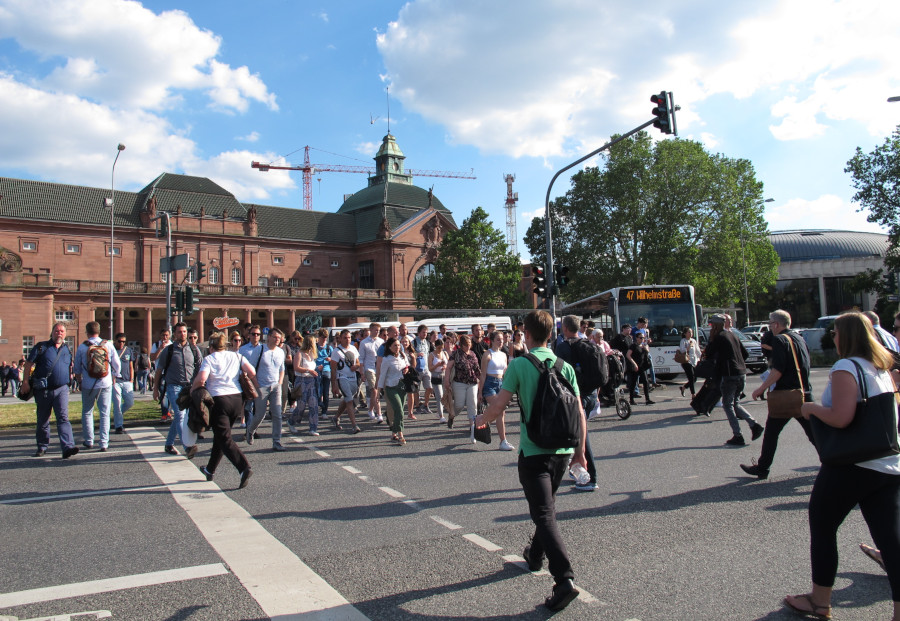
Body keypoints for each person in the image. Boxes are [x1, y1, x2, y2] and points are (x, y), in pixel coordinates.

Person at [784, 311, 900, 621]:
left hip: (853, 464)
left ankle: (820, 601)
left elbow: (842, 417)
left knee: (823, 526)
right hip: (888, 463)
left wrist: (811, 408)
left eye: (835, 333)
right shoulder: (882, 367)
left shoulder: (846, 367)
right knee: (890, 538)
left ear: (845, 336)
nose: (832, 337)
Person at [474, 310, 586, 612]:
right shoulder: (564, 366)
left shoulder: (520, 364)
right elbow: (579, 412)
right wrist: (581, 453)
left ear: (526, 332)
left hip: (535, 450)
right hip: (563, 450)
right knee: (546, 507)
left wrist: (481, 421)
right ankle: (534, 556)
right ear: (551, 333)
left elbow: (499, 405)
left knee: (544, 514)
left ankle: (564, 579)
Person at [742, 309, 815, 478]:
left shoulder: (780, 340)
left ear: (776, 324)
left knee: (771, 433)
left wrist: (761, 389)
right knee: (813, 434)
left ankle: (763, 468)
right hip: (803, 393)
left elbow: (778, 370)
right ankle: (831, 462)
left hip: (786, 396)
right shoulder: (799, 338)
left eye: (769, 323)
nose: (769, 327)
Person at [190, 331, 256, 489]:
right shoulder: (236, 356)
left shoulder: (210, 359)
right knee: (220, 436)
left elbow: (201, 379)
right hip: (236, 398)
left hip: (219, 399)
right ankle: (210, 469)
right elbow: (252, 372)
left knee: (225, 438)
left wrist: (193, 390)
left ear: (211, 347)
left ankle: (243, 467)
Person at [555, 315, 600, 490]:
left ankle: (591, 478)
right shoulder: (588, 344)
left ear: (565, 329)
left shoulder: (563, 348)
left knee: (581, 435)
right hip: (591, 394)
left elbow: (559, 375)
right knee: (577, 432)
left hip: (575, 396)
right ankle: (577, 469)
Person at [704, 314, 763, 446]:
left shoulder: (719, 337)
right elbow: (745, 354)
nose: (711, 327)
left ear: (716, 325)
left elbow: (709, 353)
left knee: (727, 404)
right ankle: (754, 425)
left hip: (729, 375)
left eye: (712, 325)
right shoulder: (733, 335)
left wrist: (712, 339)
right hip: (742, 373)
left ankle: (738, 435)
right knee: (735, 403)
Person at [23, 322, 79, 459]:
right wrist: (25, 382)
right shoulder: (42, 347)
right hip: (44, 390)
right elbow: (28, 363)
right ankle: (42, 446)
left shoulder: (67, 349)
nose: (59, 333)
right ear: (52, 332)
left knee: (63, 418)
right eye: (57, 331)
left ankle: (68, 447)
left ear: (65, 334)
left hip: (61, 389)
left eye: (62, 331)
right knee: (43, 419)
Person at [153, 322, 201, 456]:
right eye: (180, 332)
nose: (183, 334)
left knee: (179, 418)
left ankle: (169, 444)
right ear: (175, 334)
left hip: (189, 387)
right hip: (173, 386)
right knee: (180, 415)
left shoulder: (194, 349)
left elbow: (200, 368)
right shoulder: (168, 350)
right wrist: (156, 389)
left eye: (184, 331)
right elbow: (159, 370)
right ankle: (187, 446)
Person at [73, 321, 120, 452]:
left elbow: (77, 367)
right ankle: (104, 443)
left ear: (87, 332)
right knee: (104, 413)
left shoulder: (83, 347)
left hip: (88, 383)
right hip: (105, 382)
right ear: (99, 331)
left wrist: (79, 380)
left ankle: (89, 440)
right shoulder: (108, 345)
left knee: (87, 411)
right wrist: (115, 375)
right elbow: (116, 363)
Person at [246, 328, 286, 451]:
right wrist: (257, 386)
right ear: (268, 337)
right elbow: (251, 369)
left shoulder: (280, 352)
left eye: (279, 338)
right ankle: (250, 430)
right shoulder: (260, 349)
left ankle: (277, 441)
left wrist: (279, 383)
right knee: (260, 415)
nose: (277, 339)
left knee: (277, 414)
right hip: (261, 386)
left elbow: (282, 369)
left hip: (275, 386)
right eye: (274, 337)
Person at [478, 330, 515, 452]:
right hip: (489, 383)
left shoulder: (503, 355)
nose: (501, 341)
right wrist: (480, 392)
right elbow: (483, 374)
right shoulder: (487, 354)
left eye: (502, 339)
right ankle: (503, 441)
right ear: (492, 341)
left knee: (500, 412)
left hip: (501, 384)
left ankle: (479, 421)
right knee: (499, 410)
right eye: (498, 339)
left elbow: (505, 372)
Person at [447, 334, 481, 443]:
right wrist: (446, 381)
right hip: (459, 382)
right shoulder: (455, 354)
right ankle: (452, 415)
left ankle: (472, 430)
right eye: (466, 345)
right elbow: (448, 367)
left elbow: (477, 369)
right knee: (459, 405)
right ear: (461, 345)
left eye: (469, 345)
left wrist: (483, 381)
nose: (468, 347)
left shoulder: (473, 354)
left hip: (472, 382)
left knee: (473, 404)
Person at [377, 336, 410, 445]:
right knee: (399, 410)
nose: (397, 347)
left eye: (398, 345)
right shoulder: (386, 359)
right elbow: (382, 376)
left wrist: (406, 369)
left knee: (399, 412)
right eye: (395, 345)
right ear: (389, 347)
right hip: (391, 387)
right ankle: (401, 435)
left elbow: (407, 365)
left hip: (402, 386)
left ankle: (393, 434)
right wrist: (379, 390)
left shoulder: (402, 355)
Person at [330, 329, 362, 433]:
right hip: (342, 377)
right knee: (349, 400)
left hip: (352, 377)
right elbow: (333, 369)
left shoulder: (353, 348)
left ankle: (336, 417)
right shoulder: (336, 351)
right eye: (345, 338)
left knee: (348, 398)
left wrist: (356, 367)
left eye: (349, 337)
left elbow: (357, 362)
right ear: (340, 339)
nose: (347, 340)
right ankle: (354, 425)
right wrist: (334, 385)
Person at [290, 335, 319, 436]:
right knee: (301, 405)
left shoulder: (312, 355)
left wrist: (315, 370)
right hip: (301, 380)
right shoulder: (300, 353)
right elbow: (296, 367)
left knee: (313, 404)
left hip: (311, 381)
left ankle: (313, 427)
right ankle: (292, 421)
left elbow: (312, 368)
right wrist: (308, 370)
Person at [358, 322, 383, 422]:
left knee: (375, 391)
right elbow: (361, 358)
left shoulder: (381, 342)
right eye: (376, 330)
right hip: (369, 368)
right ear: (371, 330)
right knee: (374, 390)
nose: (377, 332)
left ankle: (370, 409)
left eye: (379, 330)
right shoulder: (364, 343)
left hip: (379, 368)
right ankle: (379, 414)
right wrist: (362, 372)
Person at [111, 333, 135, 435]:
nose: (121, 343)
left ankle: (117, 415)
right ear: (115, 341)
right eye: (120, 341)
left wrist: (132, 378)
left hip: (126, 380)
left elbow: (131, 365)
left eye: (123, 342)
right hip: (116, 381)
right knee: (117, 403)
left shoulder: (128, 350)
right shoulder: (112, 350)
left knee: (130, 402)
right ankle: (119, 426)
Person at [625, 330, 654, 406]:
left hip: (642, 366)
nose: (642, 339)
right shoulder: (633, 345)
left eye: (643, 338)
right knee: (633, 383)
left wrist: (646, 348)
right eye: (640, 338)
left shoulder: (644, 346)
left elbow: (647, 354)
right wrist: (634, 364)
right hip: (635, 366)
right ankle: (631, 399)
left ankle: (647, 399)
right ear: (636, 338)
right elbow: (628, 355)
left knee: (645, 381)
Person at [314, 328, 333, 420]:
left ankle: (324, 411)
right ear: (319, 337)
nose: (325, 339)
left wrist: (330, 359)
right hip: (317, 370)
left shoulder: (329, 348)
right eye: (323, 337)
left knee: (325, 393)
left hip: (326, 370)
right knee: (317, 391)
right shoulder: (315, 347)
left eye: (326, 337)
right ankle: (319, 404)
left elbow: (334, 360)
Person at [678, 327, 702, 398]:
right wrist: (688, 348)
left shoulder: (693, 341)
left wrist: (701, 357)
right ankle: (693, 394)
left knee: (695, 378)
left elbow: (697, 351)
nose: (691, 333)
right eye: (689, 332)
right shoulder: (683, 341)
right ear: (685, 334)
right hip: (686, 361)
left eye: (691, 332)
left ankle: (684, 387)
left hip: (694, 361)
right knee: (691, 378)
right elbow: (682, 350)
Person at [429, 339, 449, 423]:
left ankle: (439, 411)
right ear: (435, 347)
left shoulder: (444, 353)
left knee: (445, 396)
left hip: (444, 375)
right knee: (439, 396)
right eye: (439, 348)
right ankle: (441, 416)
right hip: (435, 376)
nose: (440, 349)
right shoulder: (431, 355)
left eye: (442, 348)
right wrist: (438, 364)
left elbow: (448, 364)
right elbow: (430, 368)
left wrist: (445, 366)